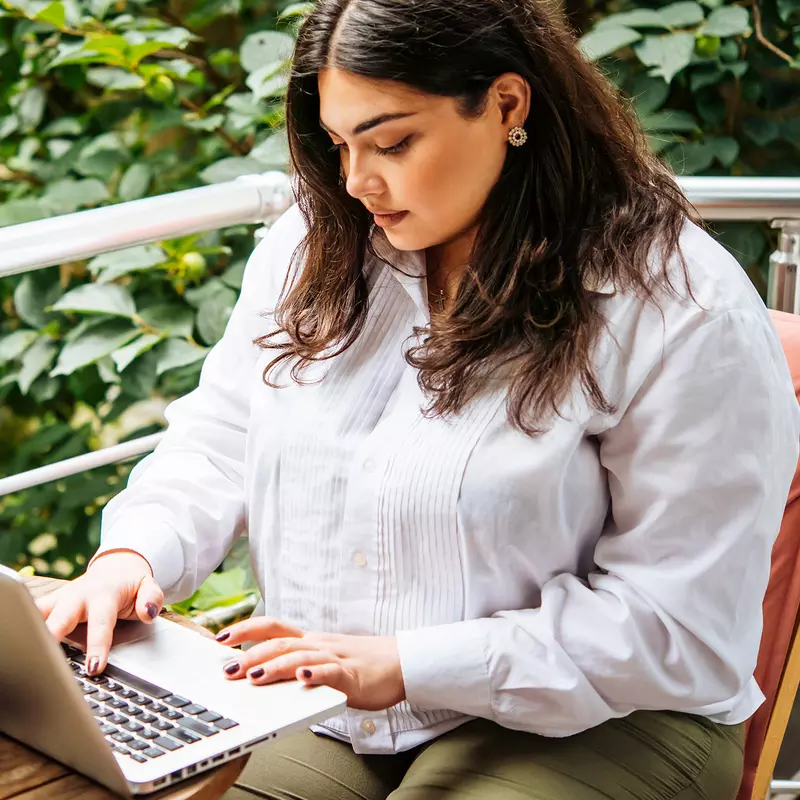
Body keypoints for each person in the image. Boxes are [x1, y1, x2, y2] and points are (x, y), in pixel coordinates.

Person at [38, 0, 800, 797]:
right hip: (339, 700)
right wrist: (135, 552)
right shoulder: (317, 243)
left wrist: (410, 664)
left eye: (393, 141)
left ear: (507, 104)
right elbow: (224, 434)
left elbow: (678, 628)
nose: (357, 180)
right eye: (338, 143)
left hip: (612, 717)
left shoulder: (679, 307)